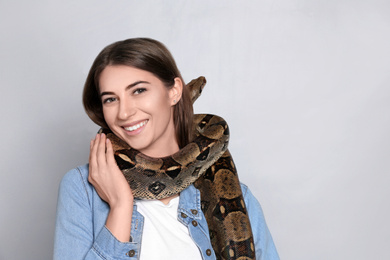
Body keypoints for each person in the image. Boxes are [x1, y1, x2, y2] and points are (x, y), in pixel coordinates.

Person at [53, 38, 279, 260]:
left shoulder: (240, 198)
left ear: (174, 91)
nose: (123, 113)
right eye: (111, 99)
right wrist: (121, 206)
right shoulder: (81, 189)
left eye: (138, 90)